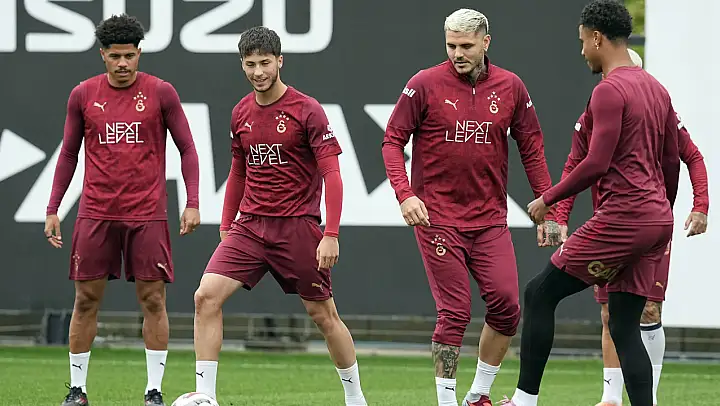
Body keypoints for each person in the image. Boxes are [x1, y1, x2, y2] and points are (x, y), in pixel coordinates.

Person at [507, 1, 684, 405]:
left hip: (624, 217)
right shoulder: (656, 88)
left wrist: (548, 198)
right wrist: (663, 213)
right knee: (623, 326)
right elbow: (672, 161)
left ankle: (524, 400)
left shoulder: (608, 90)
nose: (583, 50)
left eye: (583, 41)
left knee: (538, 294)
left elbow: (596, 163)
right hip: (656, 220)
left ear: (598, 37)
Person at [381, 8, 560, 406]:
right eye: (451, 45)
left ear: (485, 42)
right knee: (455, 311)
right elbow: (392, 141)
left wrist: (548, 206)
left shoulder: (511, 86)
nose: (457, 53)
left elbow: (532, 147)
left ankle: (478, 395)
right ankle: (446, 401)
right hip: (437, 218)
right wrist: (405, 194)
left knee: (508, 308)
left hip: (490, 220)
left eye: (465, 45)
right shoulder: (424, 84)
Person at [191, 26, 368, 406]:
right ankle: (205, 396)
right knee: (205, 297)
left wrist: (331, 233)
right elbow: (238, 172)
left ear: (280, 61)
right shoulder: (240, 112)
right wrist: (226, 222)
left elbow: (332, 174)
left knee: (323, 315)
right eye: (250, 64)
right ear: (242, 64)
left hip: (298, 228)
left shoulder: (307, 110)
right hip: (250, 227)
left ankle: (355, 398)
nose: (258, 72)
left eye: (265, 63)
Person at [44, 14, 201, 406]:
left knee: (153, 300)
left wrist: (193, 202)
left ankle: (153, 391)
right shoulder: (82, 95)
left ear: (139, 53)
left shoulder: (161, 92)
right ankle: (77, 390)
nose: (123, 64)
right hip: (95, 213)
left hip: (147, 214)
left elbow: (187, 148)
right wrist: (53, 207)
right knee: (85, 300)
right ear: (102, 54)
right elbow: (68, 154)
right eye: (115, 56)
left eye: (129, 56)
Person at [554, 49, 709, 406]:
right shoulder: (596, 112)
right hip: (610, 225)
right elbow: (576, 163)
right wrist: (560, 215)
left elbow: (691, 155)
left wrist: (700, 205)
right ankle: (610, 397)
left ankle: (647, 397)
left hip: (649, 224)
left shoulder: (659, 111)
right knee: (609, 311)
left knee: (650, 309)